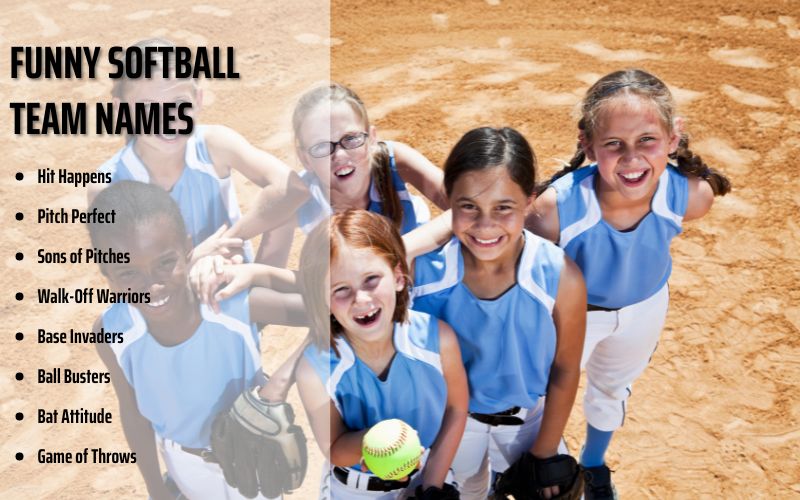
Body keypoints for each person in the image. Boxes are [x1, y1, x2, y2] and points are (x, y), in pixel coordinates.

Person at [528, 68, 731, 499]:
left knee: (612, 390)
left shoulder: (690, 196)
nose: (632, 158)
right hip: (571, 318)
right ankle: (548, 465)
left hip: (644, 310)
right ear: (587, 143)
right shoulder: (555, 210)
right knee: (543, 395)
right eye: (614, 144)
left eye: (647, 141)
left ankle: (594, 464)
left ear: (673, 139)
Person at [87, 181, 305, 500]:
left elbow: (334, 313)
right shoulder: (113, 332)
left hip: (255, 463)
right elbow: (132, 413)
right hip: (183, 467)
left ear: (188, 247)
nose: (152, 286)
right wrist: (155, 488)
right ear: (105, 271)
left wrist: (283, 379)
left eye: (165, 263)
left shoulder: (230, 302)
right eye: (127, 273)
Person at [411, 127, 587, 499]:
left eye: (503, 207)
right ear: (450, 202)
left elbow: (566, 368)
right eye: (468, 206)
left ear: (530, 202)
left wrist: (544, 452)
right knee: (471, 491)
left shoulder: (557, 274)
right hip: (450, 427)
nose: (485, 225)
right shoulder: (422, 275)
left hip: (529, 423)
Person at [294, 210, 469, 499]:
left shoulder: (438, 339)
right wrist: (370, 442)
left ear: (399, 276)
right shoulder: (314, 369)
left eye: (371, 279)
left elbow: (457, 409)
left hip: (426, 475)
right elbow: (334, 447)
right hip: (357, 490)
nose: (361, 299)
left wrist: (432, 486)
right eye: (341, 289)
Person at [88, 38, 308, 265]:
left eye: (179, 103)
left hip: (232, 284)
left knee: (283, 208)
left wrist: (230, 243)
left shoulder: (214, 145)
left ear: (198, 100)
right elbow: (125, 276)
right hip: (166, 298)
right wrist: (195, 261)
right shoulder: (108, 186)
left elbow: (292, 187)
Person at [259, 82, 448, 267]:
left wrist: (399, 251)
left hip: (418, 273)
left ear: (372, 138)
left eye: (351, 138)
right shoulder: (296, 197)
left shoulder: (394, 160)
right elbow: (264, 275)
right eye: (322, 146)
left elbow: (467, 209)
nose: (339, 155)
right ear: (305, 158)